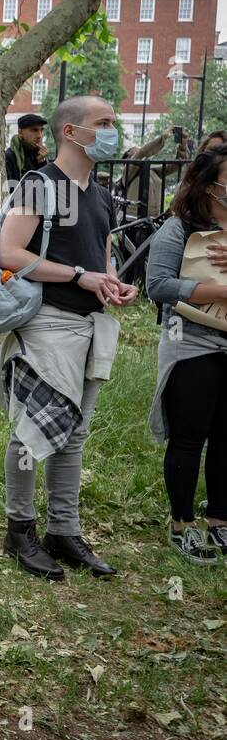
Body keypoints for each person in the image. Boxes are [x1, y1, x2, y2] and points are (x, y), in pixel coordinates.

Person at [0, 96, 139, 581]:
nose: (113, 130)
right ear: (71, 132)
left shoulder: (100, 193)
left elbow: (101, 254)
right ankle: (19, 531)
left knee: (72, 434)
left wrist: (111, 281)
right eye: (105, 123)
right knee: (33, 433)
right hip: (49, 324)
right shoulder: (39, 185)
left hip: (92, 324)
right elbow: (9, 253)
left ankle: (64, 531)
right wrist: (79, 277)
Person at [145, 145, 227, 563]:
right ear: (211, 185)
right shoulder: (179, 229)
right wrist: (214, 291)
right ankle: (183, 524)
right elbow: (156, 285)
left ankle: (220, 521)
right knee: (189, 438)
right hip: (193, 345)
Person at [6, 112, 50, 184]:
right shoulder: (10, 156)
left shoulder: (38, 153)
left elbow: (45, 185)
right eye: (34, 130)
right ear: (20, 133)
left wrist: (41, 162)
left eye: (41, 130)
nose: (39, 135)